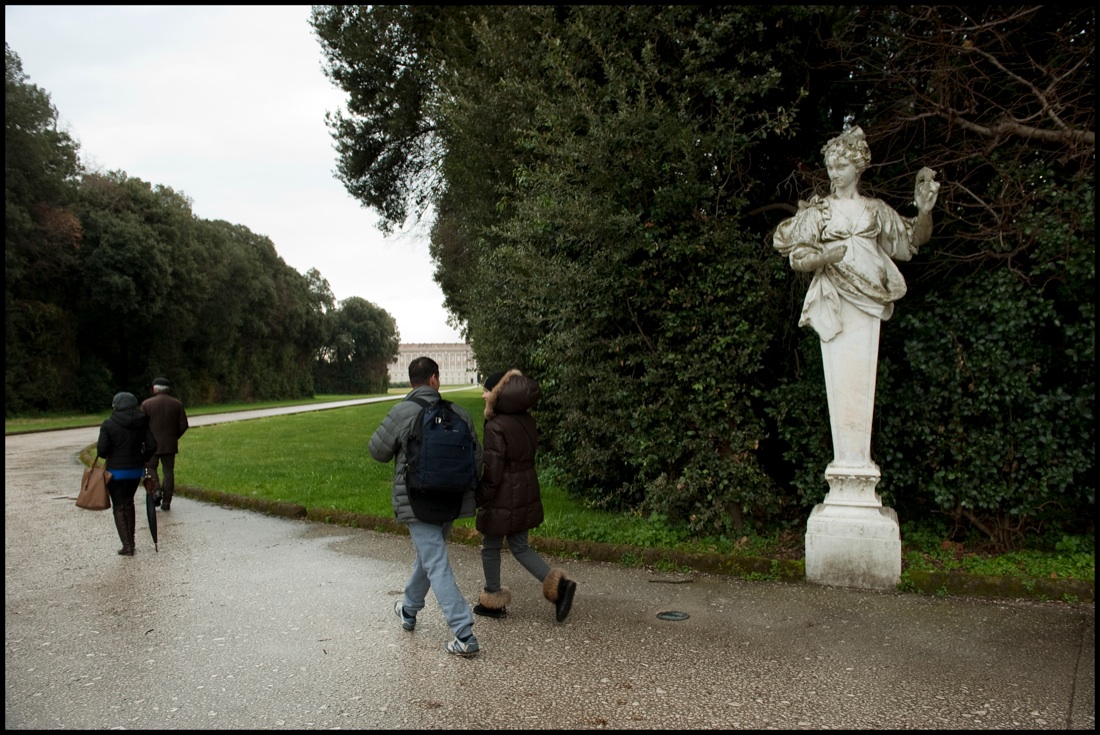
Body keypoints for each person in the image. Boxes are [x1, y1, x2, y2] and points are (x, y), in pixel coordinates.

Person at [772, 126, 939, 469]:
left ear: (858, 166)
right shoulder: (819, 211)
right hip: (834, 293)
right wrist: (825, 256)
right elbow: (797, 257)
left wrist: (924, 212)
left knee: (861, 379)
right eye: (830, 167)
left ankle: (857, 466)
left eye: (841, 166)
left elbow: (912, 241)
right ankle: (847, 466)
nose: (834, 173)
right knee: (842, 379)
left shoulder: (876, 210)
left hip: (871, 295)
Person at [368, 356, 485, 656]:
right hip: (452, 499)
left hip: (416, 499)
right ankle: (408, 609)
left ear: (411, 382)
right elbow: (477, 460)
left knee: (434, 560)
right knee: (429, 557)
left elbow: (377, 451)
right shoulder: (458, 413)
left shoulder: (402, 411)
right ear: (434, 379)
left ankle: (463, 632)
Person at [472, 370, 577, 623]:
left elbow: (493, 471)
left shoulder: (495, 425)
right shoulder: (527, 420)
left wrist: (480, 497)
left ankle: (492, 600)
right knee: (519, 546)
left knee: (490, 546)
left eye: (487, 390)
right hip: (525, 488)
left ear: (497, 393)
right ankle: (560, 586)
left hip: (502, 494)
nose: (484, 395)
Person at [97, 392, 157, 555]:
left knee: (119, 506)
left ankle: (127, 546)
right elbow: (152, 445)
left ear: (115, 405)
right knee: (129, 502)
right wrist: (143, 457)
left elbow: (102, 451)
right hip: (135, 470)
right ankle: (132, 541)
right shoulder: (142, 421)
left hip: (115, 471)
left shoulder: (108, 424)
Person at [142, 377, 189, 511]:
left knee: (150, 468)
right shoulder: (177, 404)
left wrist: (145, 440)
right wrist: (173, 436)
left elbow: (142, 425)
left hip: (151, 445)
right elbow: (184, 425)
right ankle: (167, 501)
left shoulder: (146, 404)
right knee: (168, 471)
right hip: (169, 444)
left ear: (155, 389)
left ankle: (156, 490)